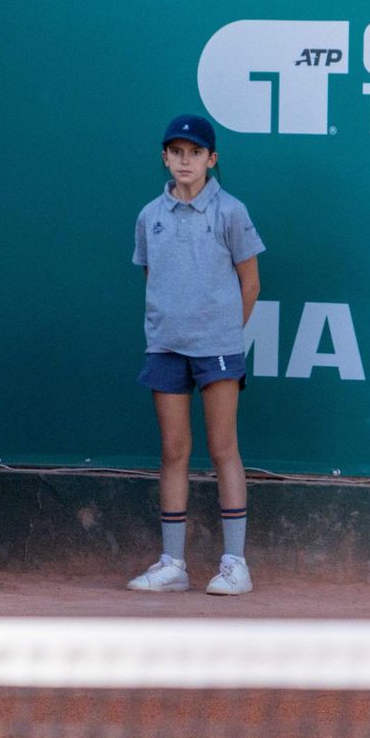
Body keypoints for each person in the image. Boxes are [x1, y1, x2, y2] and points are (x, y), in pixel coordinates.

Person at [128, 113, 264, 596]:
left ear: (212, 159)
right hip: (165, 346)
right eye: (177, 153)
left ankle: (234, 564)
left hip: (219, 351)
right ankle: (173, 564)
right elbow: (154, 278)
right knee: (173, 451)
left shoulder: (231, 212)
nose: (185, 161)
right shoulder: (150, 216)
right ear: (165, 158)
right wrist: (176, 323)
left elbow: (251, 282)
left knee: (224, 448)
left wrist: (223, 332)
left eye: (195, 153)